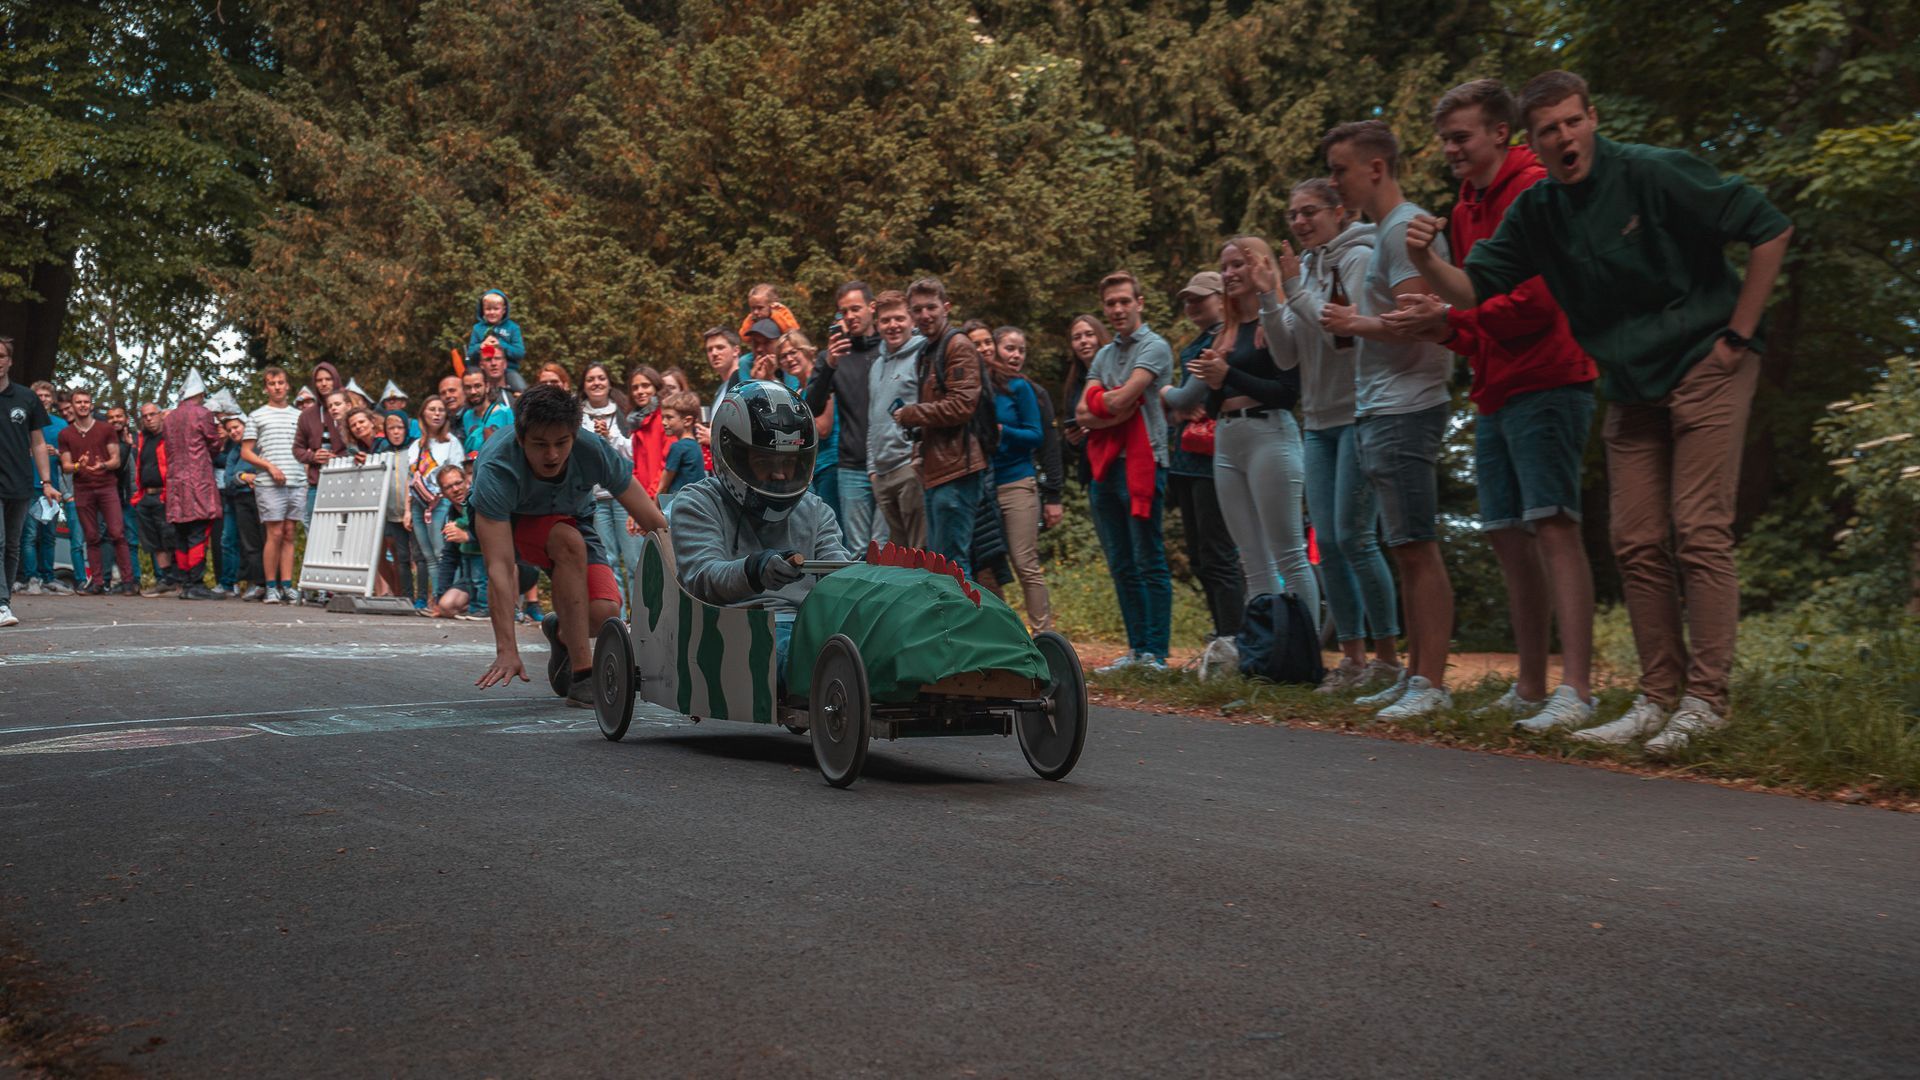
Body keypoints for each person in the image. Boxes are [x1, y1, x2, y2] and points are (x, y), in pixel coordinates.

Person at [1405, 69, 1793, 756]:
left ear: (1591, 118)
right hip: (1632, 381)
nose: (1563, 138)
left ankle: (1706, 701)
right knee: (1635, 539)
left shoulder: (1651, 172)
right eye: (1548, 130)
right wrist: (1426, 262)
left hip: (1707, 360)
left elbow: (1767, 226)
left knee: (1699, 530)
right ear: (1533, 139)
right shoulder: (1540, 211)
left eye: (1572, 122)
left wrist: (1738, 335)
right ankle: (1655, 699)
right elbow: (1471, 289)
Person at [1377, 78, 1601, 731]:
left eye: (1460, 137)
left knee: (1555, 526)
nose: (1448, 148)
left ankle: (1578, 688)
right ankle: (1531, 686)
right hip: (1496, 385)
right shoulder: (1468, 201)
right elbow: (1476, 304)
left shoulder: (1533, 190)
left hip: (1552, 376)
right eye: (1444, 138)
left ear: (1500, 132)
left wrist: (1448, 318)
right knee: (1505, 532)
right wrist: (1443, 325)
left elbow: (1536, 301)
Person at [1319, 119, 1455, 720]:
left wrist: (1354, 326)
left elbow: (1420, 319)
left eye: (1340, 170)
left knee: (1417, 547)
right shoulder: (1386, 231)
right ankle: (1416, 679)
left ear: (1375, 168)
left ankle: (1430, 683)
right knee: (1404, 547)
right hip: (1383, 404)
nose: (1333, 182)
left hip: (1408, 403)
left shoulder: (1402, 231)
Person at [1272, 178, 1402, 693]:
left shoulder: (1358, 256)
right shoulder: (1301, 269)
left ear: (1338, 212)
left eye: (1310, 212)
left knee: (1355, 537)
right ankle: (1351, 659)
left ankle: (1388, 658)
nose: (1301, 222)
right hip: (1318, 420)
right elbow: (1286, 356)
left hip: (1358, 414)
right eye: (1293, 215)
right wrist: (1270, 295)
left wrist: (1296, 291)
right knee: (1326, 540)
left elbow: (1339, 331)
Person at [470, 385, 670, 705]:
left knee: (605, 612)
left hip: (573, 516)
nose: (552, 455)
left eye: (561, 443)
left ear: (575, 436)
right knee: (568, 541)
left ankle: (562, 633)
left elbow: (653, 521)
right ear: (521, 440)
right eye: (540, 444)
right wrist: (507, 648)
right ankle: (582, 675)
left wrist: (691, 567)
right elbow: (499, 567)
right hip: (514, 521)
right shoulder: (497, 467)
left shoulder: (593, 450)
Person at [670, 381, 851, 683]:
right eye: (766, 460)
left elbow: (838, 572)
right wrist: (756, 570)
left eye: (790, 462)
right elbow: (703, 578)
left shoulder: (815, 510)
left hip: (810, 627)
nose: (780, 474)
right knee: (811, 659)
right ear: (733, 455)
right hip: (734, 629)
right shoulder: (696, 503)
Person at [1201, 235, 1320, 631]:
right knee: (1250, 557)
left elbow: (1287, 394)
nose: (1229, 273)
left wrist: (1228, 373)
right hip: (1227, 440)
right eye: (1225, 266)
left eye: (1238, 264)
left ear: (1261, 266)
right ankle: (1268, 653)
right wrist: (1215, 381)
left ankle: (1304, 656)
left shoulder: (1278, 320)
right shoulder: (1227, 331)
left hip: (1271, 435)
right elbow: (1215, 404)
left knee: (1288, 553)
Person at [1077, 270, 1175, 672]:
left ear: (1140, 302)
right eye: (1110, 304)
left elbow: (1123, 399)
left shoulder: (1155, 347)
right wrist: (1108, 404)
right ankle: (1135, 650)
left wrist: (1106, 403)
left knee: (1148, 558)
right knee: (1121, 562)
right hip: (1104, 468)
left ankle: (1156, 653)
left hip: (1145, 464)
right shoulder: (1103, 355)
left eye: (1123, 301)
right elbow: (1085, 413)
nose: (1117, 309)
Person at [1159, 274, 1247, 665]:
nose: (1192, 305)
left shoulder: (1222, 338)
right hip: (1188, 462)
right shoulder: (1200, 340)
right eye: (1187, 301)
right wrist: (1177, 405)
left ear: (1220, 298)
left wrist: (1166, 394)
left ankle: (1236, 642)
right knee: (1200, 556)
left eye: (1200, 298)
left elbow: (1185, 397)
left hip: (1213, 460)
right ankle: (1222, 640)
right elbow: (1182, 404)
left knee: (1218, 553)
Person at [893, 278, 987, 574]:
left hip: (957, 470)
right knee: (941, 564)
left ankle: (965, 621)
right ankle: (954, 620)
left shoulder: (957, 345)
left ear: (946, 307)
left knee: (953, 564)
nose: (925, 315)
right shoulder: (928, 351)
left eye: (931, 307)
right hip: (936, 470)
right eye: (917, 310)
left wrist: (912, 414)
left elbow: (962, 405)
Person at [982, 325, 1053, 631]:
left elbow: (1036, 435)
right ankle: (1006, 637)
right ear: (994, 349)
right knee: (991, 568)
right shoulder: (978, 387)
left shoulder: (1020, 388)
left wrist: (1002, 432)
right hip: (984, 486)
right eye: (1010, 348)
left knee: (1024, 563)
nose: (1016, 355)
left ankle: (1043, 635)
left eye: (1021, 350)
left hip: (1017, 483)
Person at [805, 281, 886, 548]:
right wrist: (829, 365)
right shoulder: (833, 355)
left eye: (855, 309)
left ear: (871, 308)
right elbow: (813, 407)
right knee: (860, 550)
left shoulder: (889, 348)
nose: (850, 317)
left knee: (890, 547)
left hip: (891, 460)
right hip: (852, 465)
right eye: (844, 312)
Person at [0, 337, 60, 626]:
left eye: (1, 356)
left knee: (12, 546)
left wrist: (47, 482)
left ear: (10, 360)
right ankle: (0, 604)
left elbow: (38, 443)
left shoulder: (27, 398)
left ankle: (4, 601)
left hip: (20, 483)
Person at [866, 290, 928, 548]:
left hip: (908, 467)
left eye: (899, 318)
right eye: (885, 320)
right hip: (881, 473)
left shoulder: (922, 356)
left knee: (921, 551)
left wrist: (919, 457)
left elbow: (929, 408)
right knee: (898, 557)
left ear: (912, 320)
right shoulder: (877, 365)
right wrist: (871, 468)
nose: (892, 325)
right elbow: (873, 417)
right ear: (877, 324)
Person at [241, 366, 307, 603]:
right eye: (272, 383)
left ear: (287, 386)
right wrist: (269, 467)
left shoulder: (299, 416)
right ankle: (270, 586)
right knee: (275, 532)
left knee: (290, 533)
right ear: (266, 387)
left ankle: (287, 585)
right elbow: (246, 452)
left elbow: (304, 449)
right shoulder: (257, 416)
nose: (277, 387)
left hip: (297, 479)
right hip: (270, 482)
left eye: (281, 382)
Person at [56, 387, 130, 596]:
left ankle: (128, 581)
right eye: (78, 402)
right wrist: (80, 465)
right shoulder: (66, 434)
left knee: (117, 533)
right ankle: (97, 582)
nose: (82, 405)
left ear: (91, 404)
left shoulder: (105, 429)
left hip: (107, 487)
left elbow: (116, 460)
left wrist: (104, 465)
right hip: (83, 489)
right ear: (72, 405)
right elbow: (66, 466)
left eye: (86, 402)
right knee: (91, 536)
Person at [162, 370, 228, 600]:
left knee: (181, 533)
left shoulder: (169, 418)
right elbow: (214, 444)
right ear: (199, 394)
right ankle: (196, 583)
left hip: (175, 483)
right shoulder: (203, 414)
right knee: (199, 532)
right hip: (198, 481)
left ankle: (185, 582)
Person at [406, 396, 464, 607]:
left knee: (443, 553)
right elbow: (409, 479)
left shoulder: (451, 443)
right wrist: (407, 511)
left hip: (441, 504)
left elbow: (457, 474)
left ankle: (453, 598)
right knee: (428, 555)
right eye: (432, 409)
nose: (437, 413)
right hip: (418, 505)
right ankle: (439, 599)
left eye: (441, 410)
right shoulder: (415, 446)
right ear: (423, 414)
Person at [776, 330, 839, 525]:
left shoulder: (821, 380)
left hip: (830, 465)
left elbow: (823, 429)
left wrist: (793, 426)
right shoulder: (797, 391)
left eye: (793, 352)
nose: (789, 359)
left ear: (807, 351)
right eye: (783, 356)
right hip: (808, 472)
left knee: (835, 527)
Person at [18, 380, 71, 594]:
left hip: (52, 488)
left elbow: (69, 458)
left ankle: (48, 577)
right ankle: (31, 577)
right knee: (29, 535)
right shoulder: (22, 422)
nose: (43, 399)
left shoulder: (61, 425)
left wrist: (57, 454)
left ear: (52, 399)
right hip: (27, 485)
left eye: (47, 396)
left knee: (49, 535)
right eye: (39, 396)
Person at [217, 414, 265, 597]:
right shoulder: (234, 453)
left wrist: (250, 476)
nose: (233, 432)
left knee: (268, 540)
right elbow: (228, 480)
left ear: (247, 426)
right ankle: (257, 583)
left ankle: (273, 584)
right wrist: (244, 477)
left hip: (262, 498)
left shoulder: (261, 445)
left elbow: (266, 469)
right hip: (240, 501)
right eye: (229, 430)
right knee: (250, 544)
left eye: (236, 427)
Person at [293, 361, 345, 523]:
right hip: (318, 481)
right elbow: (297, 449)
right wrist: (313, 457)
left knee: (348, 529)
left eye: (328, 379)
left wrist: (339, 457)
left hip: (348, 479)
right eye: (319, 380)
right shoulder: (307, 415)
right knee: (317, 530)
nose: (323, 383)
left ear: (335, 379)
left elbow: (362, 442)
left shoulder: (348, 407)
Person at [466, 289, 527, 391]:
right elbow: (470, 354)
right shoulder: (477, 328)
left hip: (508, 370)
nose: (492, 312)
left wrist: (501, 344)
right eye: (488, 309)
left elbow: (519, 353)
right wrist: (481, 346)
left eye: (496, 309)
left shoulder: (512, 328)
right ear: (482, 310)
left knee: (521, 389)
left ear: (503, 310)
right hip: (482, 371)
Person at [655, 390, 707, 502]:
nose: (664, 422)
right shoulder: (695, 446)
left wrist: (656, 508)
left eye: (669, 417)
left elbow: (663, 486)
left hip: (680, 505)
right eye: (663, 417)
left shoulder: (678, 447)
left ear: (687, 421)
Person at [625, 365, 666, 503]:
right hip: (644, 497)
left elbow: (667, 462)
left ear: (656, 388)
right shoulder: (636, 422)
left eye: (645, 385)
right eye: (635, 388)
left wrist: (652, 495)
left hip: (662, 496)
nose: (640, 391)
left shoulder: (665, 417)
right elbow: (636, 467)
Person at [460, 368, 513, 458]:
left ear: (487, 386)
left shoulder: (504, 413)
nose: (473, 392)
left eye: (477, 386)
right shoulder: (467, 416)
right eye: (468, 387)